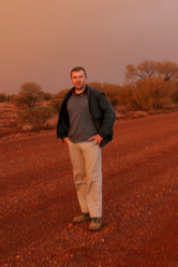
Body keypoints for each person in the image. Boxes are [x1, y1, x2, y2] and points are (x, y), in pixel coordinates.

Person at [56, 67, 116, 232]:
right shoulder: (69, 97)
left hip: (90, 144)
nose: (78, 80)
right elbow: (63, 118)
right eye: (75, 77)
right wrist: (65, 137)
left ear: (86, 78)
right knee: (80, 178)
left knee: (93, 179)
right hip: (73, 144)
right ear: (71, 80)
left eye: (81, 77)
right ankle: (86, 212)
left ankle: (96, 215)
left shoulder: (96, 95)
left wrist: (101, 134)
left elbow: (110, 114)